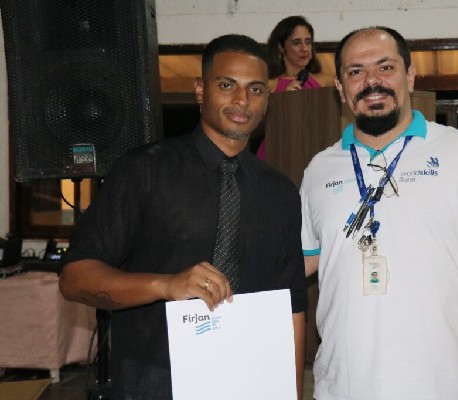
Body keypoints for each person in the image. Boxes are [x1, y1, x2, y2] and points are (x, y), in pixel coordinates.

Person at [60, 34, 307, 400]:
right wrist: (166, 285)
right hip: (155, 378)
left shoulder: (281, 192)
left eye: (255, 89)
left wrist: (292, 391)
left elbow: (292, 306)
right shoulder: (144, 170)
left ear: (267, 99)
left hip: (251, 376)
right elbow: (74, 278)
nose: (242, 100)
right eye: (227, 85)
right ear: (200, 90)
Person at [301, 26, 458, 400]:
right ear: (340, 88)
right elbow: (299, 262)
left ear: (409, 76)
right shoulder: (319, 170)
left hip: (446, 386)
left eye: (385, 67)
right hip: (343, 386)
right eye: (356, 71)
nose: (371, 81)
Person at [255, 15, 334, 160]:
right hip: (276, 154)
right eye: (297, 43)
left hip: (314, 153)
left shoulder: (327, 83)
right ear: (281, 47)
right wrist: (282, 102)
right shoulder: (268, 85)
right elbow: (255, 126)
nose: (304, 49)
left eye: (308, 42)